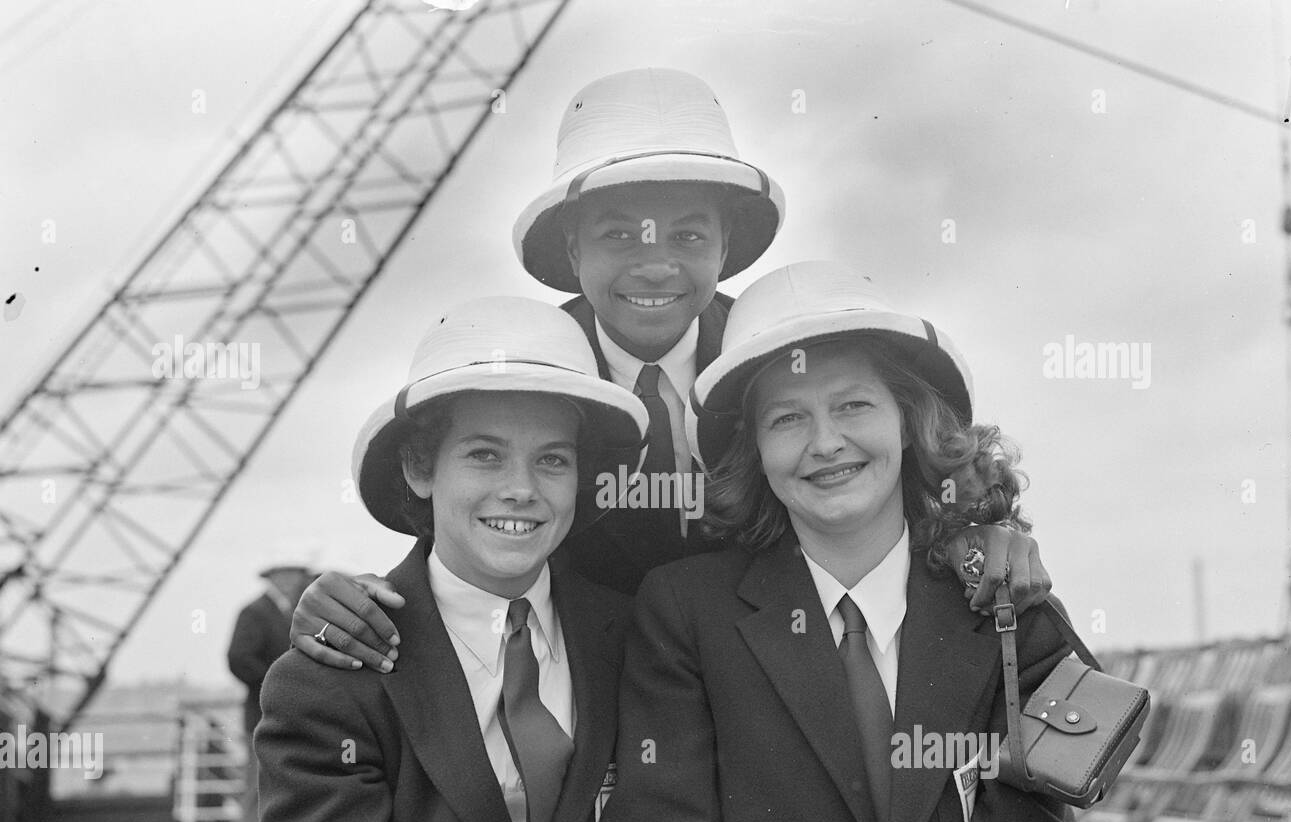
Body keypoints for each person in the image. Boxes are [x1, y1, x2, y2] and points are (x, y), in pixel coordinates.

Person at [287, 69, 1051, 673]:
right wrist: (361, 604)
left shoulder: (777, 359)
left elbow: (894, 461)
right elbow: (480, 505)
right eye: (619, 235)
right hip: (587, 689)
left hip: (776, 686)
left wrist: (984, 533)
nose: (655, 263)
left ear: (727, 247)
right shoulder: (525, 371)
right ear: (572, 251)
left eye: (688, 234)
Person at [598, 262, 1079, 822]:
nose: (825, 443)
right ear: (753, 451)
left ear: (911, 424)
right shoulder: (685, 614)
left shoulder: (1011, 614)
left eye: (853, 406)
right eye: (788, 418)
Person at [255, 297, 647, 822]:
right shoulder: (331, 678)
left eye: (552, 459)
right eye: (485, 456)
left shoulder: (641, 640)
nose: (521, 489)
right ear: (419, 468)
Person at [226, 560, 313, 822]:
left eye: (296, 573)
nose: (293, 579)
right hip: (263, 718)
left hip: (288, 717)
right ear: (273, 577)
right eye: (287, 573)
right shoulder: (254, 613)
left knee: (271, 796)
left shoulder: (292, 610)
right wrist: (278, 684)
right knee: (257, 795)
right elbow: (238, 658)